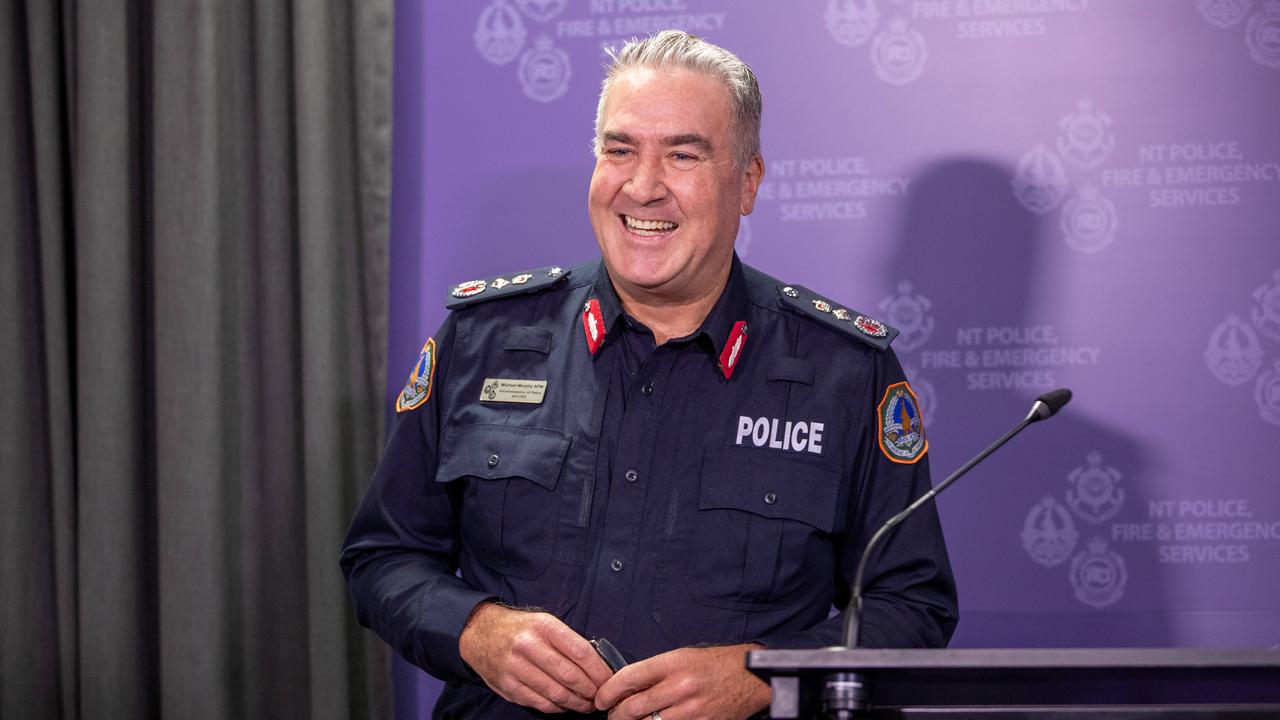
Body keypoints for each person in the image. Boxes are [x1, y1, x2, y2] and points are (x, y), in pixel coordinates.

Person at [340, 29, 957, 720]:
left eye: (683, 155)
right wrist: (475, 629)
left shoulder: (847, 371)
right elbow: (382, 557)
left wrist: (764, 675)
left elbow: (912, 608)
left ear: (747, 181)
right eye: (620, 150)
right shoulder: (481, 338)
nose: (642, 186)